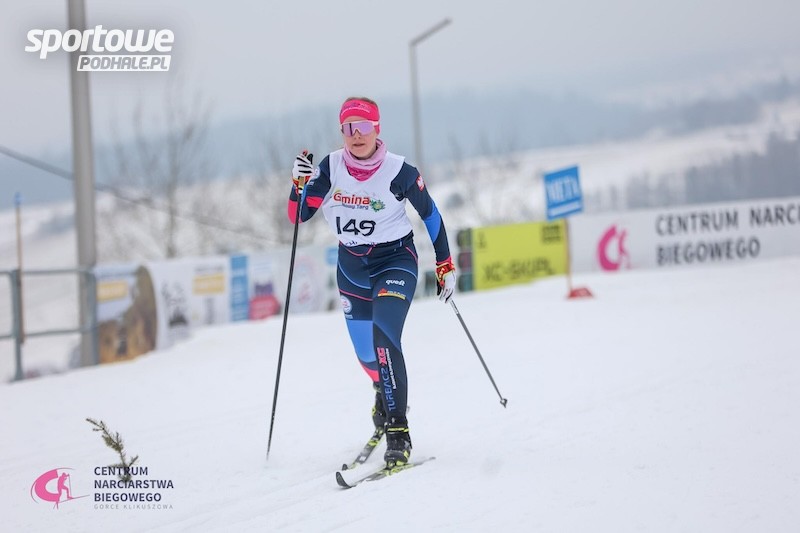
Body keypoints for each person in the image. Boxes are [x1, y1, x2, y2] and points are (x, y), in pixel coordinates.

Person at [287, 96, 456, 466]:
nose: (356, 135)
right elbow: (299, 215)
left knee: (385, 337)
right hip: (352, 268)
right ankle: (383, 389)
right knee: (367, 355)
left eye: (363, 127)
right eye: (348, 128)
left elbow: (430, 215)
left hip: (394, 262)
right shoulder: (330, 168)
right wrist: (298, 184)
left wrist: (444, 263)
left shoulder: (400, 171)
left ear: (377, 128)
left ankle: (398, 430)